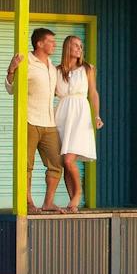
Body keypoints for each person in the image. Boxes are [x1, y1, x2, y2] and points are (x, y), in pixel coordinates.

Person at [3, 26, 66, 212]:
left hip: (49, 123)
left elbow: (59, 91)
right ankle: (28, 202)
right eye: (50, 42)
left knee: (56, 163)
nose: (55, 45)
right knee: (26, 165)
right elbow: (11, 89)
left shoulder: (52, 67)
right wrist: (11, 70)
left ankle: (48, 202)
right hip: (30, 121)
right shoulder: (26, 62)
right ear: (39, 43)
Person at [54, 34, 102, 212]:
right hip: (62, 115)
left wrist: (97, 116)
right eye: (76, 45)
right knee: (64, 160)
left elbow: (93, 93)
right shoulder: (57, 71)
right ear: (67, 47)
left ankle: (78, 194)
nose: (79, 48)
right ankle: (72, 202)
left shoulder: (87, 68)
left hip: (80, 114)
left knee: (69, 159)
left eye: (81, 46)